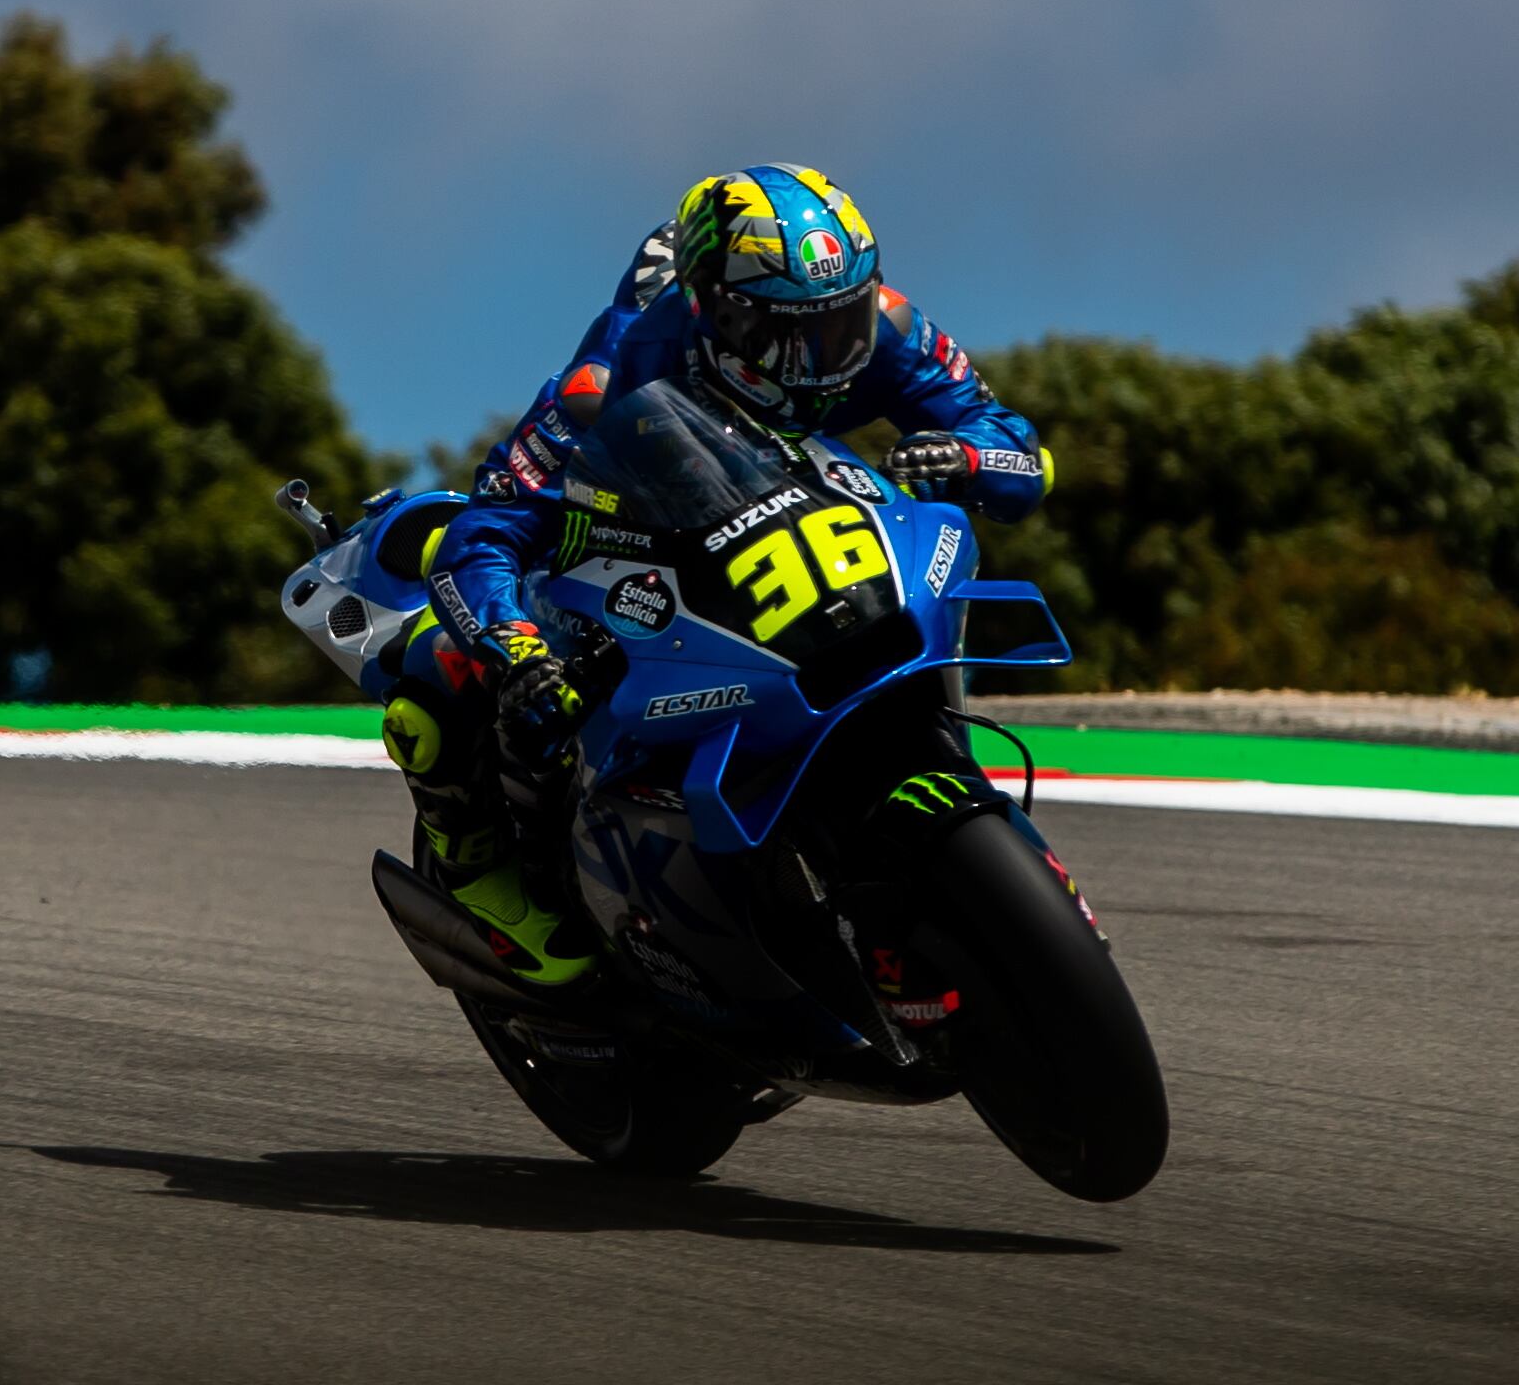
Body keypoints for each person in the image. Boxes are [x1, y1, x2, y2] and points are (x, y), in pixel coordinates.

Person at [371, 163, 1055, 986]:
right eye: (785, 336)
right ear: (712, 312)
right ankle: (483, 870)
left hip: (816, 538)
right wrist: (518, 653)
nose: (820, 360)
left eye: (837, 328)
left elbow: (1016, 448)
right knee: (441, 669)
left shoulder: (881, 320)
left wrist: (967, 453)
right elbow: (482, 533)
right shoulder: (617, 368)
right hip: (637, 544)